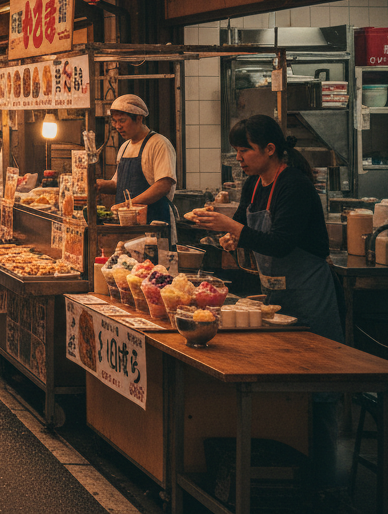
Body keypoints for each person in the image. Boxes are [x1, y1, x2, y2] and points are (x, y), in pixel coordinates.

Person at [192, 115, 342, 492]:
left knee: (317, 381)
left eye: (244, 149)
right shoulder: (254, 184)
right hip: (275, 294)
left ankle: (326, 478)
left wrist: (230, 228)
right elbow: (247, 228)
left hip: (309, 292)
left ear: (270, 149)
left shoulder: (296, 186)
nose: (238, 156)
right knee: (281, 379)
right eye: (237, 149)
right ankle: (288, 467)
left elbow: (279, 243)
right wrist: (229, 237)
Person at [94, 94, 177, 228]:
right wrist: (99, 185)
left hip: (154, 223)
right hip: (128, 225)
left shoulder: (159, 144)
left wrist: (128, 205)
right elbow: (118, 184)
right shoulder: (125, 147)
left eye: (122, 120)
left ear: (138, 119)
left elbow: (163, 185)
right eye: (114, 121)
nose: (117, 126)